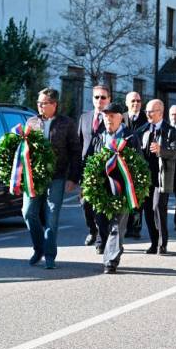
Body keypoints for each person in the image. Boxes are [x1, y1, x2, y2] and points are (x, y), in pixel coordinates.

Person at [23, 87, 81, 269]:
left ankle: (49, 255)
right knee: (28, 212)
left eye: (43, 103)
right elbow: (23, 150)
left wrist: (73, 178)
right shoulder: (31, 122)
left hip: (57, 176)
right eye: (38, 103)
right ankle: (39, 247)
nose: (39, 106)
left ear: (54, 105)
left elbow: (75, 152)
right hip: (35, 177)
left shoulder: (67, 123)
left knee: (52, 215)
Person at [94, 102, 139, 273]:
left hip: (122, 188)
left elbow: (137, 164)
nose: (108, 120)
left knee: (116, 224)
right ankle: (112, 248)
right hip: (101, 188)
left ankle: (110, 261)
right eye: (105, 116)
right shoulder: (99, 135)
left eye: (111, 116)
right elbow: (90, 158)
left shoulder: (130, 138)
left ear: (121, 117)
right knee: (101, 222)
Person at [138, 99, 176, 255]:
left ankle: (163, 243)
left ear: (161, 112)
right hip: (145, 177)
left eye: (152, 111)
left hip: (162, 176)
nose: (148, 114)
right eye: (147, 111)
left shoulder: (170, 131)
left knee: (158, 207)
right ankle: (153, 242)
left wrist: (161, 149)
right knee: (148, 210)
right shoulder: (142, 130)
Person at [78, 85, 110, 249]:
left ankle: (101, 241)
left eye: (103, 97)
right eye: (97, 97)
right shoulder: (85, 117)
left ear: (108, 100)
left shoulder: (113, 118)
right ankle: (93, 230)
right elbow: (79, 144)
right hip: (86, 169)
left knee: (100, 206)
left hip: (105, 169)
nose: (100, 100)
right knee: (85, 203)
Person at [123, 91, 148, 238]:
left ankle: (136, 227)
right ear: (127, 103)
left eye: (138, 101)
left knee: (138, 196)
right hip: (123, 162)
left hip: (141, 162)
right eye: (132, 101)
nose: (135, 104)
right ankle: (125, 225)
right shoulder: (121, 118)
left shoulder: (146, 118)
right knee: (125, 195)